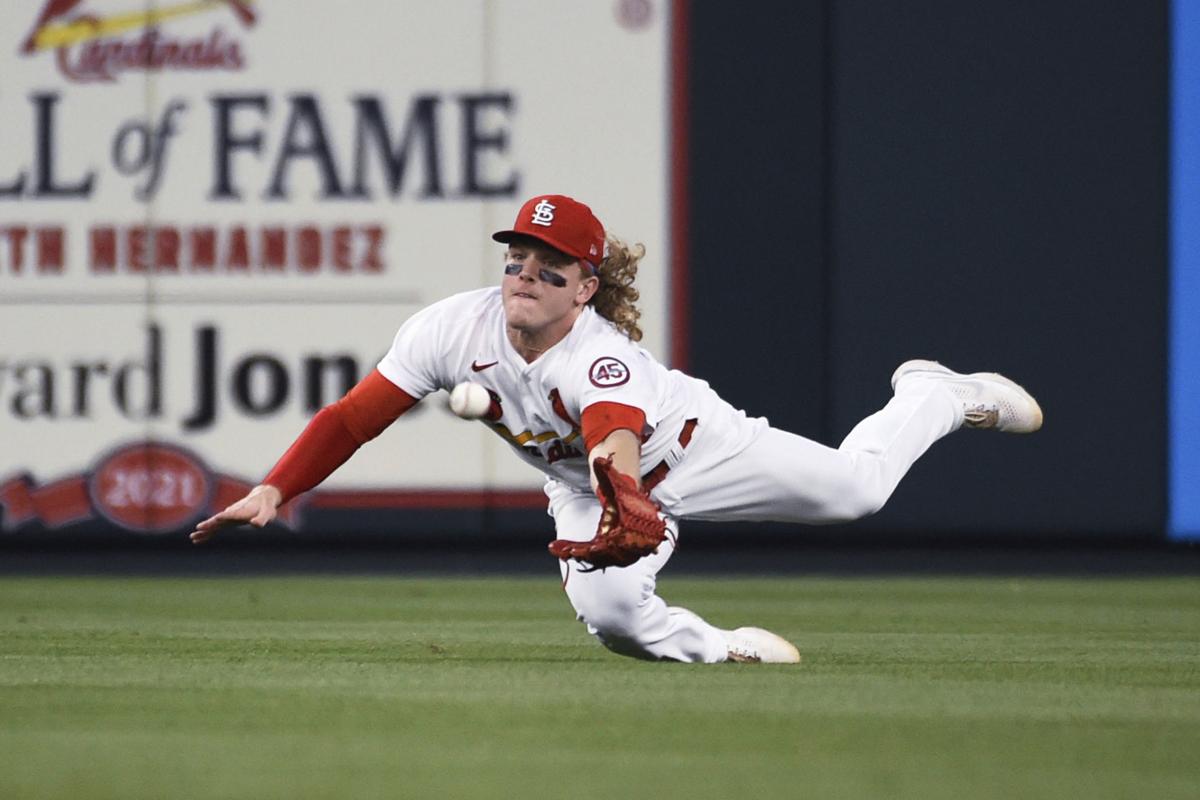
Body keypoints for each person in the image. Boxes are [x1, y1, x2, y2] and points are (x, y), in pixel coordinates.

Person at [190, 194, 1043, 664]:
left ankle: (933, 393)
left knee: (859, 492)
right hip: (581, 486)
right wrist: (275, 488)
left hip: (693, 450)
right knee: (618, 627)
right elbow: (352, 418)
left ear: (583, 288)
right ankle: (724, 650)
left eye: (548, 267)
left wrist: (624, 497)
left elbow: (612, 434)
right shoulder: (450, 328)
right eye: (516, 260)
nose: (525, 275)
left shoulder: (603, 359)